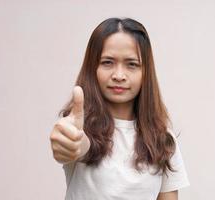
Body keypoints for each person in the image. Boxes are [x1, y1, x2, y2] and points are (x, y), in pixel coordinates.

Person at [50, 17, 190, 200]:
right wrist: (69, 142)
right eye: (108, 62)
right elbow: (77, 144)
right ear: (93, 68)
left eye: (132, 64)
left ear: (145, 72)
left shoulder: (163, 140)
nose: (119, 75)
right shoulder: (80, 128)